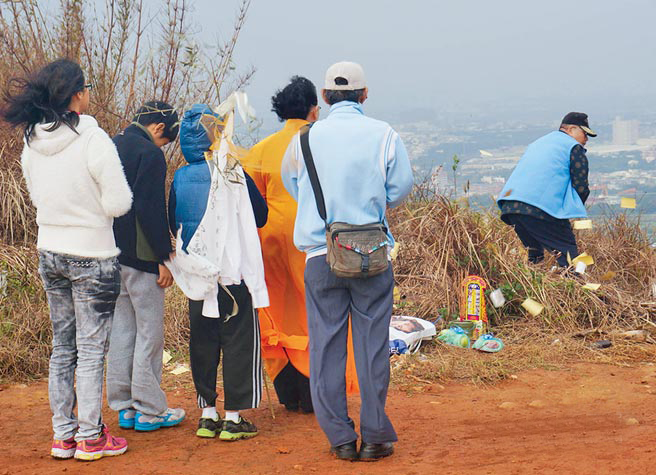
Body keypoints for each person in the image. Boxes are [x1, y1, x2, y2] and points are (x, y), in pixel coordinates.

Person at [281, 61, 414, 461]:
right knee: (373, 346)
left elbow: (293, 184)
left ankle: (340, 436)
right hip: (371, 253)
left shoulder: (303, 140)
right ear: (365, 94)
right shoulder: (384, 135)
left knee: (326, 347)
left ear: (323, 97)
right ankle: (375, 436)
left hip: (322, 255)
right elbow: (401, 188)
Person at [2, 59, 132, 460]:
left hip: (50, 250)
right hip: (92, 254)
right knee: (92, 349)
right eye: (86, 87)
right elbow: (119, 202)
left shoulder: (31, 141)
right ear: (77, 95)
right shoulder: (94, 141)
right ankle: (91, 436)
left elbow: (39, 198)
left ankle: (64, 435)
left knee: (63, 346)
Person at [244, 76, 359, 414]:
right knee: (318, 313)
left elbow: (253, 204)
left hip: (272, 244)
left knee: (277, 314)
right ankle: (317, 392)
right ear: (313, 109)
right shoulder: (322, 143)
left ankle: (289, 394)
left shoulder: (261, 149)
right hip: (314, 242)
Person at [168, 104, 268, 440]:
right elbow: (259, 215)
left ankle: (207, 414)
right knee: (239, 341)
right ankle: (234, 417)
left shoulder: (181, 177)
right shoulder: (231, 170)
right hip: (231, 274)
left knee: (203, 342)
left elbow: (173, 220)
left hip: (197, 275)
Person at [106, 101, 185, 432]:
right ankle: (150, 410)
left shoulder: (110, 144)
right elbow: (150, 211)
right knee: (150, 333)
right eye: (166, 141)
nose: (163, 146)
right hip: (140, 258)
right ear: (157, 128)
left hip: (108, 255)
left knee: (122, 332)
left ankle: (124, 407)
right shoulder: (149, 155)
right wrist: (162, 259)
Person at [497, 112, 596, 267]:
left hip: (511, 207)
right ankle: (578, 288)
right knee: (570, 256)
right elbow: (581, 187)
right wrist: (569, 214)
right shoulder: (573, 147)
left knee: (535, 256)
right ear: (571, 129)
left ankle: (531, 287)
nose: (586, 139)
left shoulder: (539, 143)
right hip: (540, 209)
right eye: (584, 133)